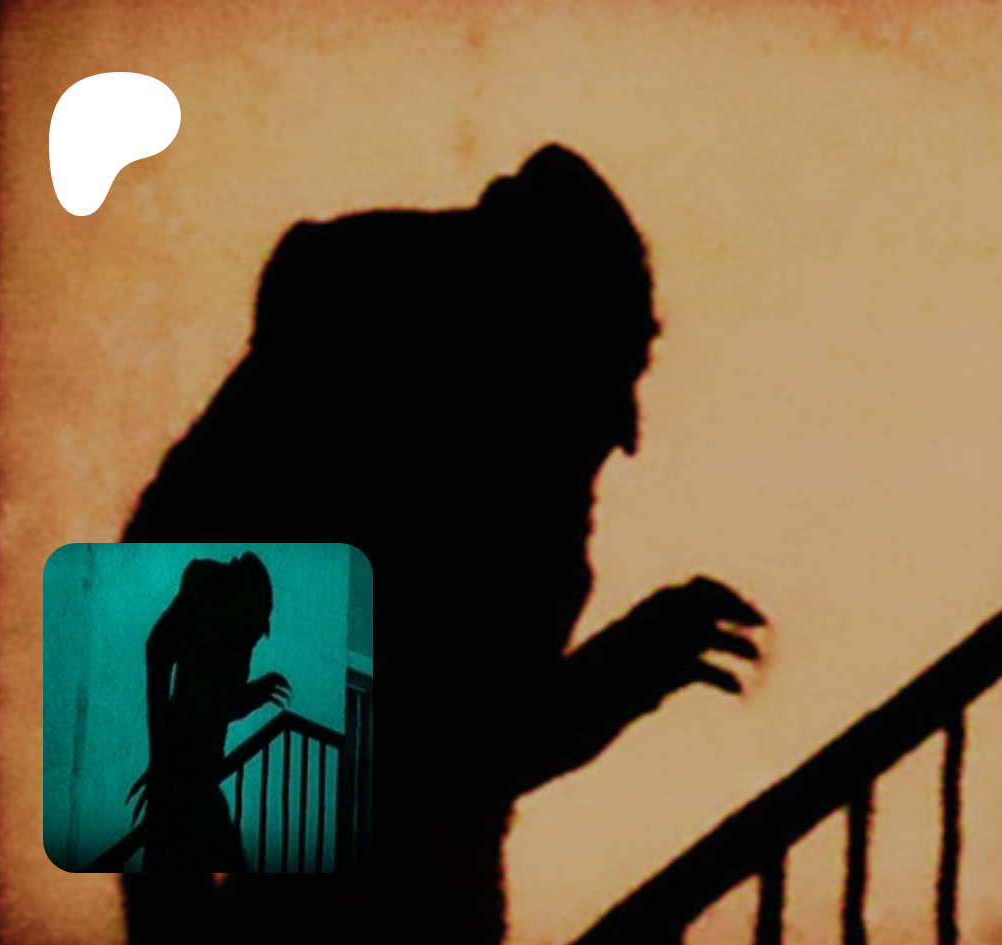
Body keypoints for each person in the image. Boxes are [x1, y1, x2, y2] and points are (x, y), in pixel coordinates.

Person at [120, 144, 766, 945]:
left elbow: (458, 753)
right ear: (538, 348)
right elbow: (441, 761)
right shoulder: (412, 473)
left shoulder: (468, 467)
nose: (628, 431)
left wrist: (627, 669)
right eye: (616, 367)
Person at [126, 552, 291, 872]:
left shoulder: (232, 629)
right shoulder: (207, 591)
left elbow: (217, 703)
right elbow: (158, 647)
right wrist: (161, 757)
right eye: (256, 629)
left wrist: (255, 694)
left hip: (199, 771)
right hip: (185, 774)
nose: (256, 640)